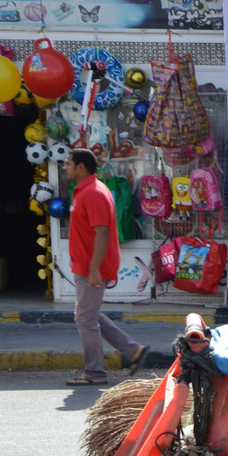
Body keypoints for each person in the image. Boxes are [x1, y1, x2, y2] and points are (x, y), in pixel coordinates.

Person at [64, 148, 146, 386]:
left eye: (68, 164)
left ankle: (95, 374)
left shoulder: (93, 193)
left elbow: (103, 232)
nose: (65, 167)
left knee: (85, 319)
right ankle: (134, 351)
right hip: (84, 264)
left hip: (91, 266)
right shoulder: (83, 190)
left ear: (81, 167)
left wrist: (95, 268)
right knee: (88, 315)